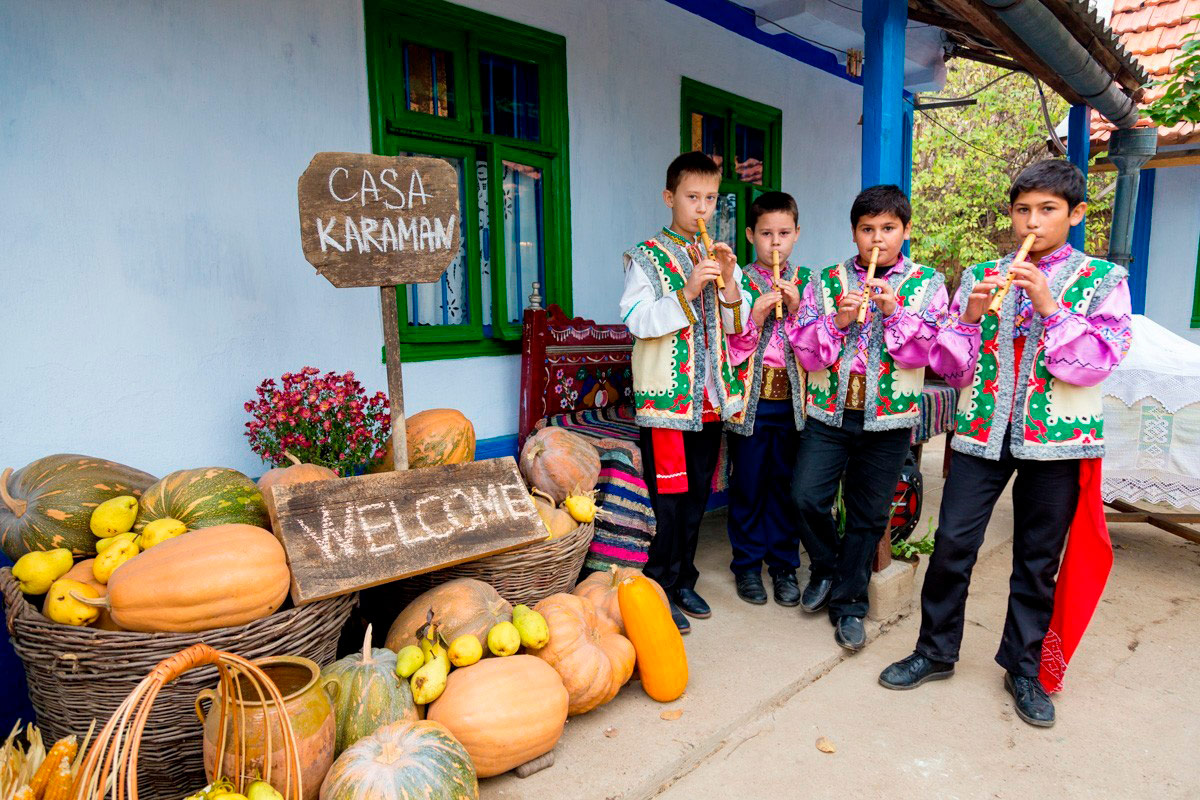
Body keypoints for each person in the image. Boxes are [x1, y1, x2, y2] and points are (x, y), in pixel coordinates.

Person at [879, 159, 1133, 729]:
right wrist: (969, 316)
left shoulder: (1103, 281)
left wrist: (1049, 305)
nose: (1032, 224)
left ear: (1076, 215)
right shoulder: (978, 276)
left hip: (1058, 442)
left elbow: (1097, 362)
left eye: (1047, 211)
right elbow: (951, 364)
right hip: (980, 431)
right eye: (1023, 211)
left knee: (1037, 561)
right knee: (951, 545)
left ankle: (1022, 668)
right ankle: (935, 651)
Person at [788, 184, 947, 651]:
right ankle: (824, 565)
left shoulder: (927, 284)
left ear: (906, 230)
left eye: (888, 229)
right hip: (829, 413)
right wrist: (836, 322)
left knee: (868, 514)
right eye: (867, 229)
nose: (877, 240)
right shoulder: (825, 280)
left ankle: (849, 604)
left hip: (889, 419)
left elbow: (933, 350)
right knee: (805, 497)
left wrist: (894, 313)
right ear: (854, 233)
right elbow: (803, 345)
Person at [619, 151, 751, 634]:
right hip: (667, 400)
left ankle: (684, 580)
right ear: (669, 197)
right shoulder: (647, 255)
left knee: (696, 496)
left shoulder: (715, 254)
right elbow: (636, 319)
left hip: (710, 400)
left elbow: (738, 327)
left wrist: (731, 281)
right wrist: (688, 291)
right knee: (668, 500)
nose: (701, 208)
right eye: (692, 197)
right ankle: (659, 587)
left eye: (710, 198)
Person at [723, 191, 808, 607]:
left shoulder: (810, 283)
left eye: (784, 233)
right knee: (749, 484)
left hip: (794, 404)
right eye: (766, 234)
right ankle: (747, 565)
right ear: (750, 235)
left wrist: (796, 312)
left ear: (796, 234)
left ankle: (784, 566)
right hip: (749, 404)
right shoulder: (737, 281)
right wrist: (755, 317)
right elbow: (729, 348)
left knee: (785, 485)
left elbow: (817, 349)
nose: (775, 243)